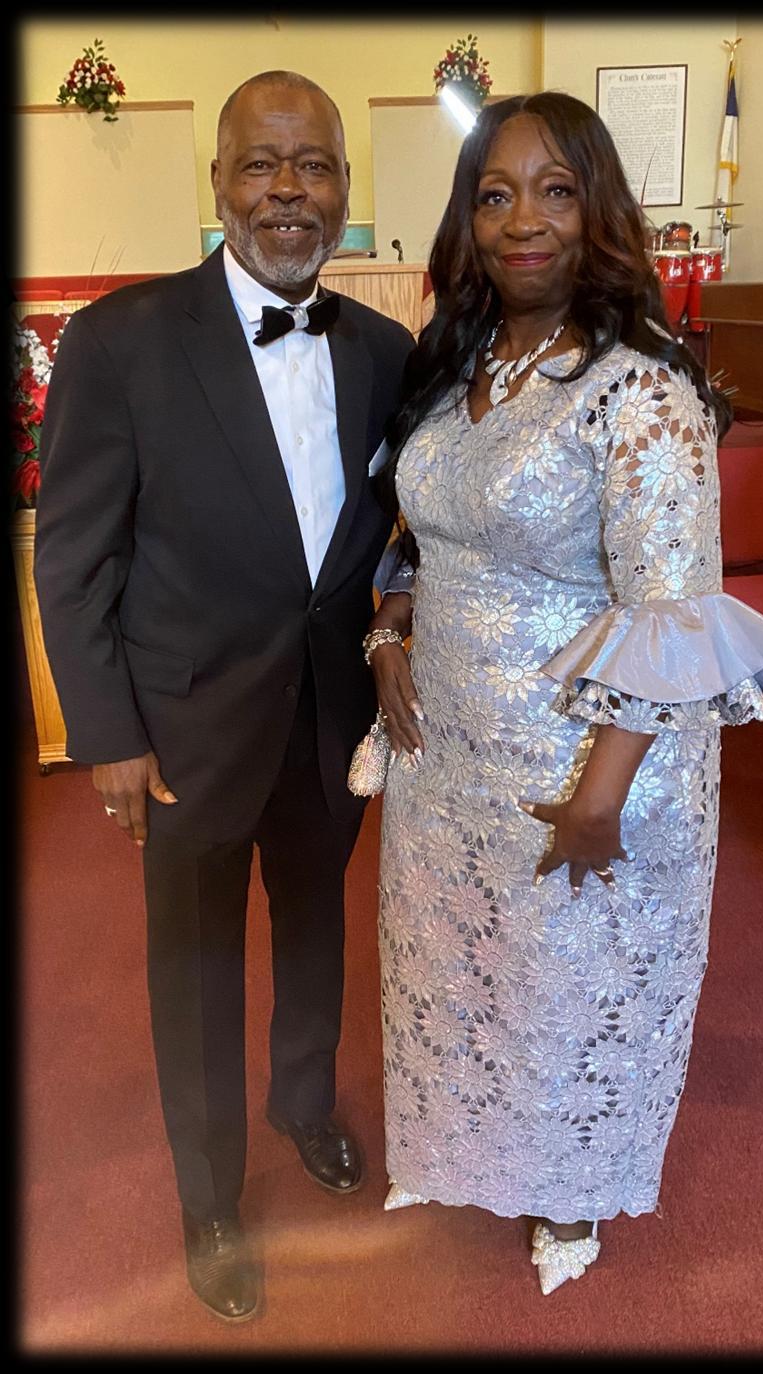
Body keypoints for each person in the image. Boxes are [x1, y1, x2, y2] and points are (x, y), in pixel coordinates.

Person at [364, 92, 763, 1295]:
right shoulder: (457, 366)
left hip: (582, 766)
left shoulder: (641, 393)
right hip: (447, 756)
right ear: (466, 219)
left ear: (598, 209)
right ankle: (459, 1146)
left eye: (554, 191)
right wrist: (385, 633)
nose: (522, 221)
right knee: (456, 971)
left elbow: (672, 616)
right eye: (494, 195)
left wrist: (599, 800)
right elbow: (418, 531)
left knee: (565, 991)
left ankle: (570, 1189)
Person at [34, 71, 413, 1322]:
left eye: (315, 166)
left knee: (314, 930)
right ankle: (207, 1195)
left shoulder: (385, 353)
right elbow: (74, 557)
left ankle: (303, 1105)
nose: (288, 191)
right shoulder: (119, 342)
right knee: (194, 968)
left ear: (345, 189)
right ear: (219, 182)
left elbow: (399, 534)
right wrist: (105, 732)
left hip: (328, 719)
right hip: (185, 728)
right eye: (262, 164)